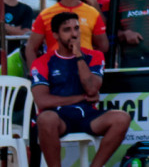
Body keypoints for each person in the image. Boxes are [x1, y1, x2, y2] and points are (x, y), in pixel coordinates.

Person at [31, 12, 130, 167]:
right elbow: (42, 101)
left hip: (87, 115)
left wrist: (78, 55)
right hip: (59, 117)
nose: (74, 34)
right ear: (56, 35)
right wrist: (80, 98)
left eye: (76, 28)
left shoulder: (94, 56)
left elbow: (91, 89)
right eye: (67, 30)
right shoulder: (43, 61)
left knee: (122, 118)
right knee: (45, 119)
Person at [24, 0, 108, 69]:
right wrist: (35, 73)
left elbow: (103, 46)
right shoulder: (45, 14)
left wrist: (90, 64)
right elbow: (31, 48)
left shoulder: (93, 13)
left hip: (84, 70)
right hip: (55, 70)